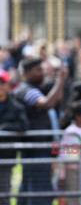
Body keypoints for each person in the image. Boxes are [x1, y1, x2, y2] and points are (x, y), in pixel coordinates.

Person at [14, 57, 68, 205]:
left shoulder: (35, 88)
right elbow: (47, 103)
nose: (42, 73)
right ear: (28, 72)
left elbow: (56, 98)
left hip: (39, 146)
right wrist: (60, 80)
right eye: (39, 70)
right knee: (38, 189)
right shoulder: (26, 90)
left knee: (31, 187)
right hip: (34, 148)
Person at [0, 69, 29, 205]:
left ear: (7, 85)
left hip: (5, 156)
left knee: (4, 193)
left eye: (2, 83)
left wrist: (5, 129)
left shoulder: (16, 106)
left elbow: (24, 125)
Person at [58, 102, 81, 205]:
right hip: (71, 170)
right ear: (78, 116)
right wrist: (61, 174)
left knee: (80, 198)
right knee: (73, 199)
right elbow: (63, 153)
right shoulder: (70, 131)